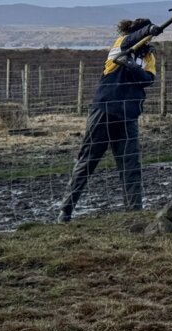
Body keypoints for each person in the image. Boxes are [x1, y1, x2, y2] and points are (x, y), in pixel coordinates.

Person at [57, 17, 163, 222]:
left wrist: (131, 65)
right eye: (145, 35)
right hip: (105, 109)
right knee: (88, 160)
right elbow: (131, 40)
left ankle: (135, 213)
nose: (148, 40)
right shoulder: (120, 44)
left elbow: (148, 80)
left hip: (129, 115)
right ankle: (66, 210)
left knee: (130, 166)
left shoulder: (148, 56)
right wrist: (148, 29)